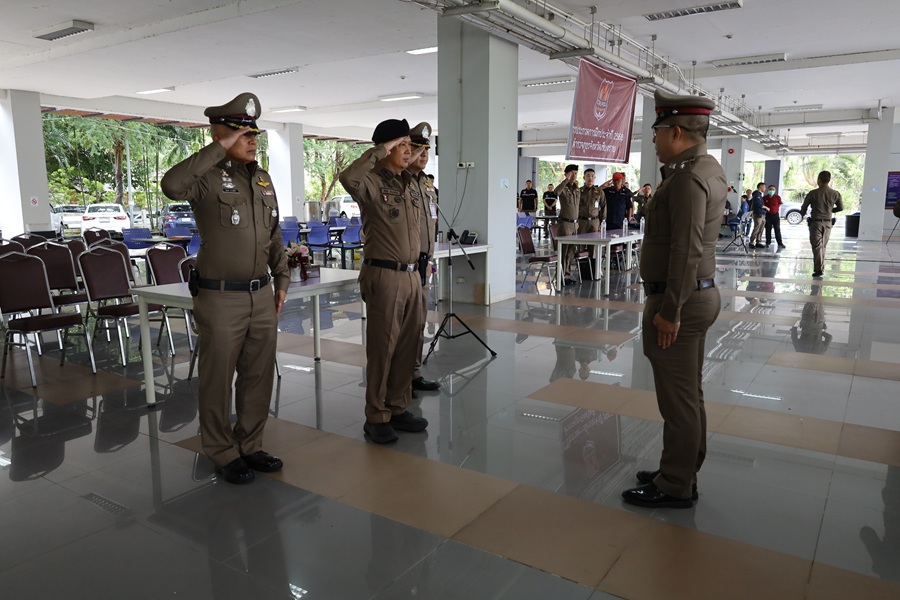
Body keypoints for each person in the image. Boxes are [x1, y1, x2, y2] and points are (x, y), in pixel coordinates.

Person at [160, 92, 287, 485]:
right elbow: (171, 185)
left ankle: (250, 443)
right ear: (220, 135)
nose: (252, 140)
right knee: (218, 379)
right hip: (220, 297)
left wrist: (282, 278)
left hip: (261, 294)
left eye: (254, 134)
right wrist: (219, 148)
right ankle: (221, 449)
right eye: (242, 133)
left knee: (258, 375)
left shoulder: (262, 179)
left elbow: (274, 234)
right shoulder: (205, 178)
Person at [621, 89, 726, 509]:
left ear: (676, 132)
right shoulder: (707, 168)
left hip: (680, 299)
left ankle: (676, 484)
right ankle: (680, 469)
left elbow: (686, 249)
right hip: (696, 295)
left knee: (678, 400)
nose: (653, 139)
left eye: (657, 131)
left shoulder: (686, 179)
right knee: (688, 393)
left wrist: (670, 311)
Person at [338, 119, 427, 444]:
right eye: (402, 145)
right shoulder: (371, 182)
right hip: (385, 274)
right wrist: (380, 149)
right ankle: (376, 415)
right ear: (386, 148)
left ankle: (398, 406)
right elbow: (348, 177)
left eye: (409, 145)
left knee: (408, 346)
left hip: (412, 275)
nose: (409, 150)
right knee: (383, 348)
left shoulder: (410, 183)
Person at [406, 122, 441, 393]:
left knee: (418, 322)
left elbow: (432, 222)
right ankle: (397, 375)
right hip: (404, 265)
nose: (424, 154)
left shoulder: (428, 184)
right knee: (402, 325)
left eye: (427, 149)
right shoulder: (400, 181)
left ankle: (414, 371)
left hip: (423, 264)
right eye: (418, 148)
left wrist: (429, 259)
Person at [800, 170, 843, 278]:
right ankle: (820, 267)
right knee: (823, 246)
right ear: (829, 180)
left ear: (819, 180)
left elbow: (804, 207)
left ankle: (819, 269)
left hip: (816, 223)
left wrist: (802, 214)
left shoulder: (813, 193)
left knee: (817, 246)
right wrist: (829, 210)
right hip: (828, 223)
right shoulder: (835, 193)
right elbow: (841, 208)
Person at [554, 164, 580, 286]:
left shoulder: (576, 189)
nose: (574, 175)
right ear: (566, 174)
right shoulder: (563, 188)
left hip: (575, 224)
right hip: (565, 223)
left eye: (576, 173)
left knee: (571, 251)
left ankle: (567, 275)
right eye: (572, 173)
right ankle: (560, 276)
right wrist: (566, 179)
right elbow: (556, 192)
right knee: (563, 251)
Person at [577, 168, 605, 239]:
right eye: (588, 176)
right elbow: (575, 207)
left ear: (595, 178)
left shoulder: (599, 191)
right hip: (582, 222)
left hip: (595, 222)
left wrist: (603, 222)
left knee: (594, 243)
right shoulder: (579, 191)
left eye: (592, 176)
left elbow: (604, 206)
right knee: (581, 243)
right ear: (584, 178)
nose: (590, 178)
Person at [764, 184, 785, 248]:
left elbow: (780, 204)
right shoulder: (764, 198)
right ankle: (768, 242)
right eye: (770, 189)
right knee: (768, 229)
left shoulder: (777, 197)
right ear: (768, 190)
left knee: (777, 229)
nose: (771, 191)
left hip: (775, 215)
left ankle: (780, 243)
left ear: (775, 190)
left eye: (773, 189)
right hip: (768, 215)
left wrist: (775, 209)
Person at [749, 183, 767, 248]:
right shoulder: (757, 195)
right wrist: (766, 207)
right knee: (756, 228)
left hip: (762, 214)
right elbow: (758, 204)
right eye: (764, 187)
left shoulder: (759, 195)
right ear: (760, 186)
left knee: (761, 229)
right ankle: (751, 242)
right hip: (758, 214)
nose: (765, 188)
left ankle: (758, 241)